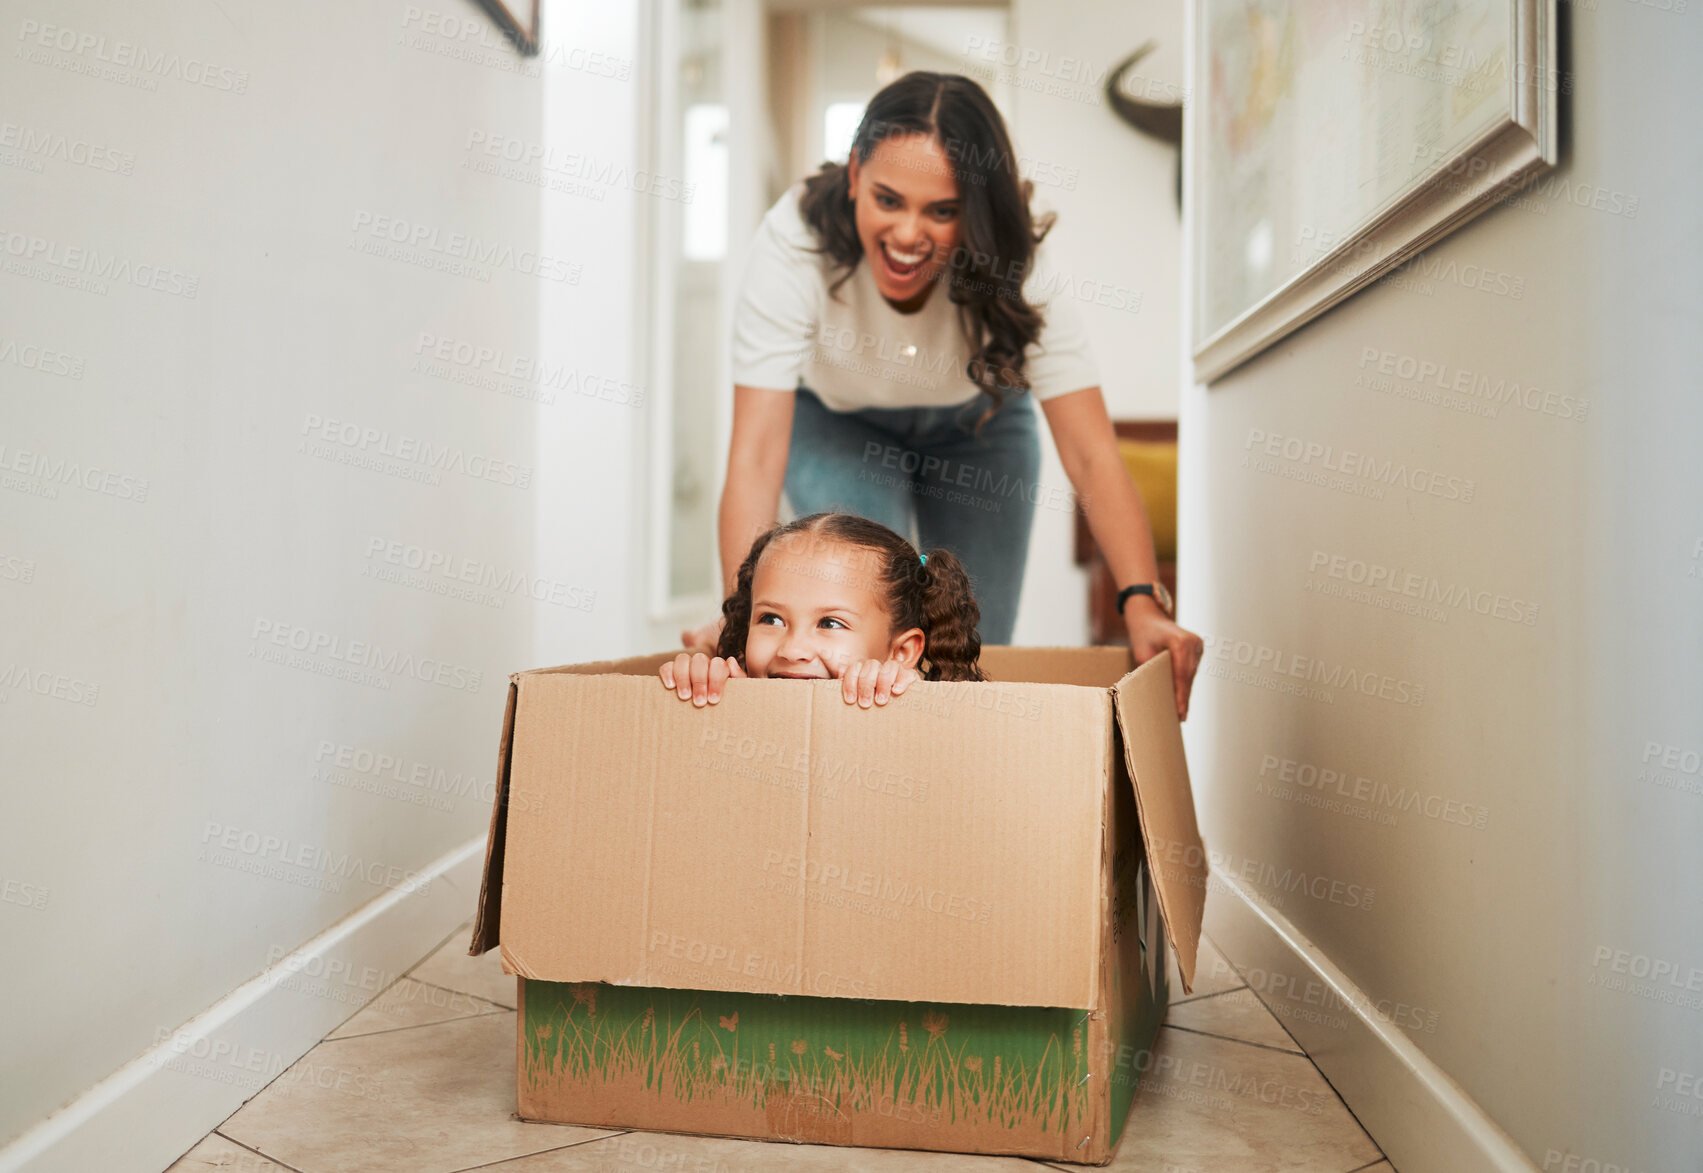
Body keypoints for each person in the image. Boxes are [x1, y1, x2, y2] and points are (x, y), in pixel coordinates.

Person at [685, 70, 1204, 719]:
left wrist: (1141, 602)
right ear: (853, 176)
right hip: (838, 422)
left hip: (979, 425)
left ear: (978, 212)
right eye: (887, 198)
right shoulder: (793, 242)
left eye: (942, 210)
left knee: (965, 653)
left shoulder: (1019, 268)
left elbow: (1093, 455)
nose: (908, 234)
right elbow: (757, 453)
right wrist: (736, 628)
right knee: (849, 630)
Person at [660, 512, 985, 708]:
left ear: (900, 652)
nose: (793, 649)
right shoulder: (733, 685)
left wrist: (906, 697)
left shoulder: (903, 696)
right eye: (771, 619)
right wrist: (698, 685)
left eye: (830, 623)